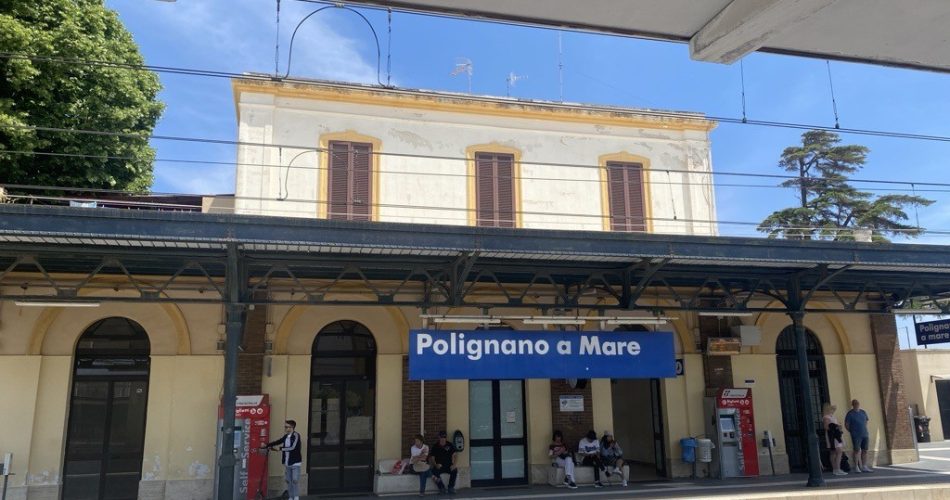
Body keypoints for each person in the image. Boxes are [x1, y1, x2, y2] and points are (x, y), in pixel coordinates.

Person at [262, 419, 302, 500]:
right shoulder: (286, 436)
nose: (286, 429)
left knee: (294, 480)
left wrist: (280, 449)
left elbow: (293, 447)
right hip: (287, 462)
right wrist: (267, 445)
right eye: (285, 427)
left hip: (295, 462)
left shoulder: (296, 435)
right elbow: (278, 441)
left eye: (288, 427)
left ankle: (296, 497)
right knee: (288, 480)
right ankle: (291, 497)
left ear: (292, 427)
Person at [845, 399, 873, 473]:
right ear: (853, 405)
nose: (857, 404)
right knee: (856, 450)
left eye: (857, 403)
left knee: (865, 450)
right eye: (855, 403)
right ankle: (856, 466)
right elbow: (847, 425)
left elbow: (866, 421)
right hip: (856, 435)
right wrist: (852, 432)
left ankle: (864, 466)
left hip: (865, 434)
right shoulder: (850, 414)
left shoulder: (863, 412)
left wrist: (863, 428)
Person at [822, 403, 847, 476]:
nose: (833, 410)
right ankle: (837, 469)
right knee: (838, 451)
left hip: (836, 435)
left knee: (834, 452)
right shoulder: (826, 417)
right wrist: (836, 426)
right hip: (833, 436)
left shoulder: (831, 416)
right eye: (832, 409)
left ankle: (836, 469)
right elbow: (827, 427)